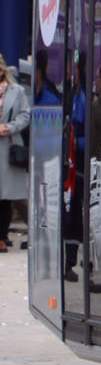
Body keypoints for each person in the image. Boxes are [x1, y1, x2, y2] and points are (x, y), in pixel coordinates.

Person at [0, 61, 28, 251]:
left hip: (7, 147)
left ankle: (2, 237)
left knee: (5, 196)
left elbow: (25, 115)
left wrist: (10, 127)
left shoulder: (16, 91)